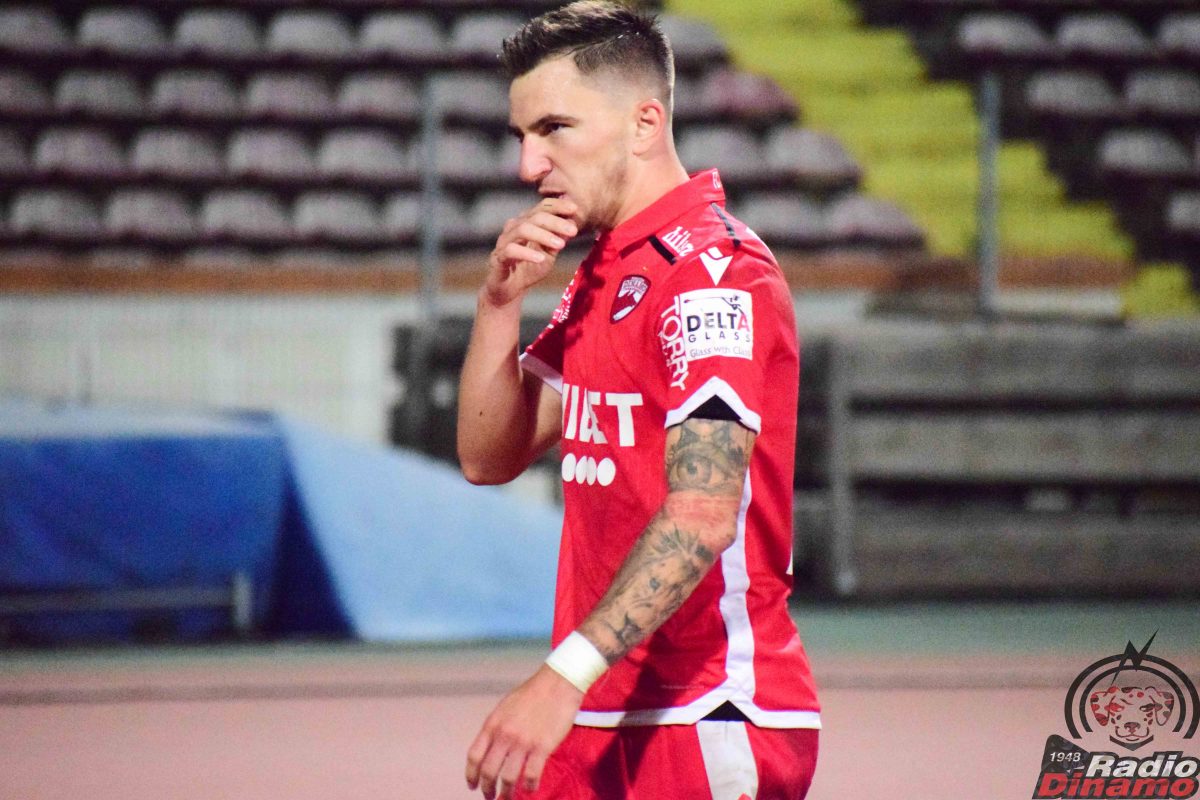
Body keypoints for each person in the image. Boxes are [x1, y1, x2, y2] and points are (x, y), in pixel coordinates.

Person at [456, 2, 820, 798]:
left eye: (554, 129)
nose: (528, 165)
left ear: (645, 123)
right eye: (521, 136)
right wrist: (497, 305)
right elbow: (488, 457)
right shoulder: (611, 267)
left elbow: (703, 514)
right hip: (601, 708)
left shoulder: (714, 275)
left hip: (706, 709)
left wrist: (561, 676)